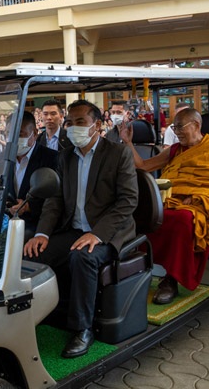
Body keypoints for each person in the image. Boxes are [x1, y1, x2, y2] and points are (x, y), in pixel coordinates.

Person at [23, 100, 138, 359]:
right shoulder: (65, 157)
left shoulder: (118, 154)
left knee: (83, 257)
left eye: (80, 123)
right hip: (74, 230)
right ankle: (42, 315)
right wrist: (41, 233)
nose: (73, 128)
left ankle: (82, 329)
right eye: (70, 123)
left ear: (97, 125)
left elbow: (128, 201)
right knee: (32, 253)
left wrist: (97, 234)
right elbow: (55, 200)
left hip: (109, 232)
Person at [120, 108, 209, 304]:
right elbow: (143, 166)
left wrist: (197, 198)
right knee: (146, 214)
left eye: (180, 127)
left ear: (196, 125)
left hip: (204, 204)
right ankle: (136, 268)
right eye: (174, 127)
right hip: (172, 199)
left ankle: (171, 280)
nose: (176, 132)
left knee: (181, 220)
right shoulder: (175, 150)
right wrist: (127, 142)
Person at [0, 112, 58, 239]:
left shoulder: (52, 158)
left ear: (34, 134)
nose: (13, 139)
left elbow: (55, 199)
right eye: (9, 134)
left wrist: (29, 207)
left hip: (35, 225)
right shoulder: (2, 158)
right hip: (5, 223)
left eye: (20, 135)